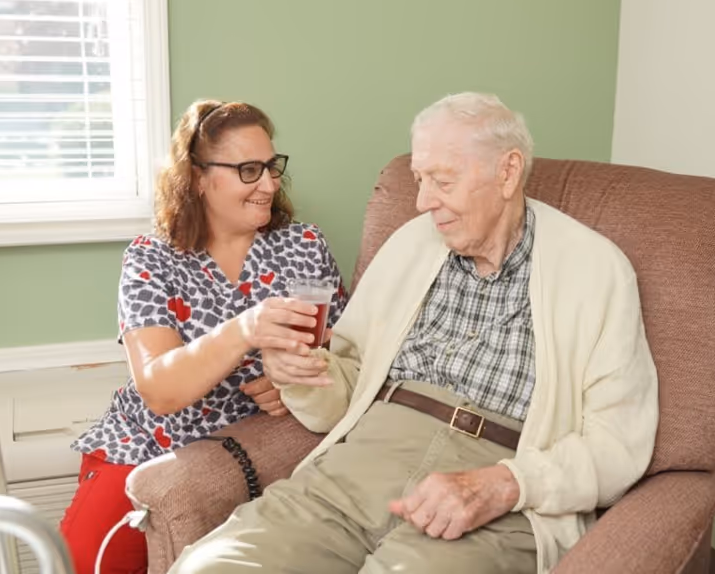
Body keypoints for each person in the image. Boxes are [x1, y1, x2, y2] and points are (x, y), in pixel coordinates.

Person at [169, 92, 659, 574]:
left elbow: (618, 445)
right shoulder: (412, 244)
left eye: (442, 181)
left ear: (507, 172)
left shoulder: (596, 270)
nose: (424, 202)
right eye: (420, 180)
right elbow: (348, 384)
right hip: (366, 459)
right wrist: (300, 372)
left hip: (500, 479)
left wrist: (506, 484)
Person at [60, 100, 349, 574]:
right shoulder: (153, 259)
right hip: (148, 445)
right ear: (197, 177)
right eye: (249, 170)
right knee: (82, 563)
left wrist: (294, 382)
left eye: (272, 168)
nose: (270, 185)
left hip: (250, 449)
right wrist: (245, 328)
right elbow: (158, 389)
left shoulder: (304, 246)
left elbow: (347, 345)